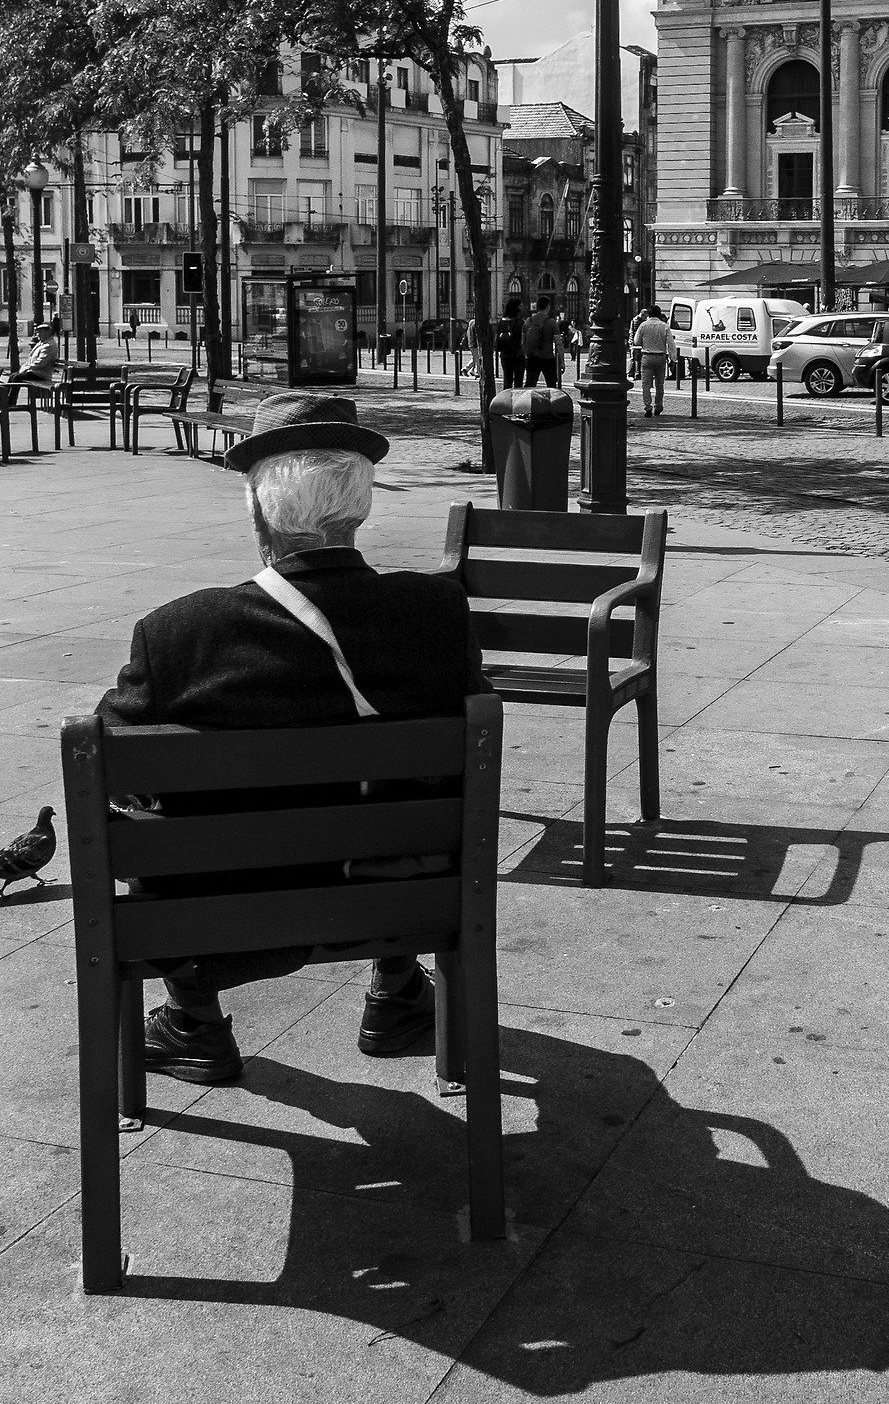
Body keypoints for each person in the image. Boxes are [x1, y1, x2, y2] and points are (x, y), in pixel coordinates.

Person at [97, 390, 488, 1084]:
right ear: (362, 505)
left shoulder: (179, 634)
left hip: (226, 915)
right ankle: (395, 991)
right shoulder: (437, 614)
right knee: (401, 788)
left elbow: (114, 768)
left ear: (258, 512)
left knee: (147, 813)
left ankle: (194, 1022)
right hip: (403, 901)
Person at [633, 303, 671, 417]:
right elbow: (671, 343)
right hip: (660, 357)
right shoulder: (664, 326)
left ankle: (648, 407)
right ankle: (658, 406)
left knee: (646, 384)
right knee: (660, 384)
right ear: (659, 314)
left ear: (648, 314)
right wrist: (673, 357)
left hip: (647, 357)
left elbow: (636, 341)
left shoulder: (643, 325)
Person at [522, 295, 560, 389]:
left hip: (532, 358)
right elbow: (558, 343)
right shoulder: (551, 322)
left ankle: (527, 403)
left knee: (530, 385)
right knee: (551, 385)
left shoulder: (528, 321)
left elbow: (523, 342)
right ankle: (552, 403)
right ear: (548, 307)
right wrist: (561, 361)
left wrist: (525, 357)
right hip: (548, 358)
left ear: (537, 307)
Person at [495, 299, 523, 392]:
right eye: (520, 306)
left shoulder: (501, 323)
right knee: (518, 382)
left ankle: (506, 402)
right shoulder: (520, 322)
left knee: (507, 381)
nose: (522, 308)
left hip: (505, 355)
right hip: (518, 355)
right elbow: (522, 339)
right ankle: (517, 402)